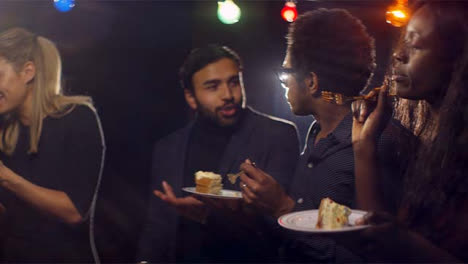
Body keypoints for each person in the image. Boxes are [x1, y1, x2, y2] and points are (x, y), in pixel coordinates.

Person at [238, 9, 404, 262]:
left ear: (312, 82)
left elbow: (380, 256)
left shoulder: (379, 143)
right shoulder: (316, 134)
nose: (283, 82)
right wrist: (255, 208)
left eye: (286, 73)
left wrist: (283, 206)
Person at [137, 44, 299, 262]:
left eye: (234, 82)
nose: (228, 95)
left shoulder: (277, 135)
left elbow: (281, 225)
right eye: (212, 87)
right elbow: (157, 227)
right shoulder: (168, 148)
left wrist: (214, 216)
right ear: (191, 97)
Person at [351, 1, 468, 262]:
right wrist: (363, 145)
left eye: (414, 45)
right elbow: (381, 247)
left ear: (458, 60)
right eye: (403, 43)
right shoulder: (432, 146)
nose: (398, 55)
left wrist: (406, 243)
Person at [0, 28, 105, 262]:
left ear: (28, 72)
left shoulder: (78, 117)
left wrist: (5, 177)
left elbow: (74, 211)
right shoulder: (6, 129)